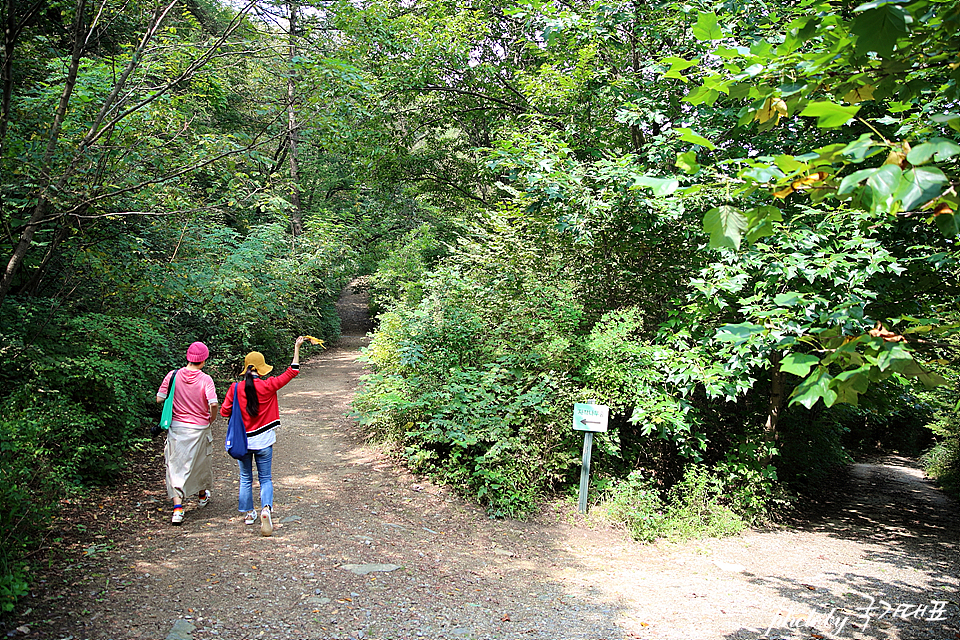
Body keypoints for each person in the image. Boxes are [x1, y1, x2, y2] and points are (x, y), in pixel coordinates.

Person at [220, 336, 304, 536]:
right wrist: (296, 347)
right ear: (261, 368)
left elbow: (224, 412)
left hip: (243, 441)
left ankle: (249, 513)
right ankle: (266, 508)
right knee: (265, 478)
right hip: (264, 441)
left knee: (245, 477)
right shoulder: (269, 385)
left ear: (246, 368)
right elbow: (292, 371)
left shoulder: (235, 388)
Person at [156, 341, 219, 525]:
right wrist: (211, 418)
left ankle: (177, 509)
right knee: (200, 461)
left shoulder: (173, 375)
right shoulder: (205, 379)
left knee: (175, 465)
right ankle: (201, 497)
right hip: (199, 427)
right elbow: (213, 403)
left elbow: (159, 399)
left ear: (188, 357)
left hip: (177, 427)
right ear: (204, 360)